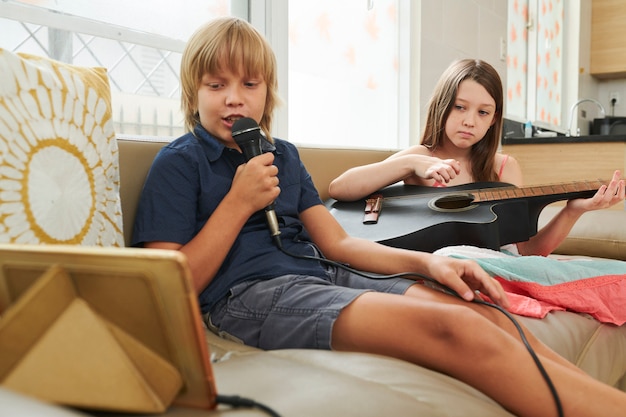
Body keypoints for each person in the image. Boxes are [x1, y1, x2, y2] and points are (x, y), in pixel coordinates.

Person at [132, 17, 626, 417]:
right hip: (249, 295)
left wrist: (430, 265)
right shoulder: (180, 164)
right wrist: (238, 203)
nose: (234, 97)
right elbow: (170, 287)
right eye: (216, 84)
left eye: (249, 83)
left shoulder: (283, 154)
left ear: (268, 92)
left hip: (325, 271)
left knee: (483, 317)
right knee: (457, 332)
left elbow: (340, 246)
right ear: (191, 93)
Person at [328, 58, 625, 256]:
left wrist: (573, 210)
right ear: (442, 107)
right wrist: (409, 162)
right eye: (460, 107)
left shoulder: (505, 168)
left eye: (482, 112)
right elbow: (340, 189)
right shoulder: (421, 158)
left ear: (494, 119)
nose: (470, 121)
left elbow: (526, 250)